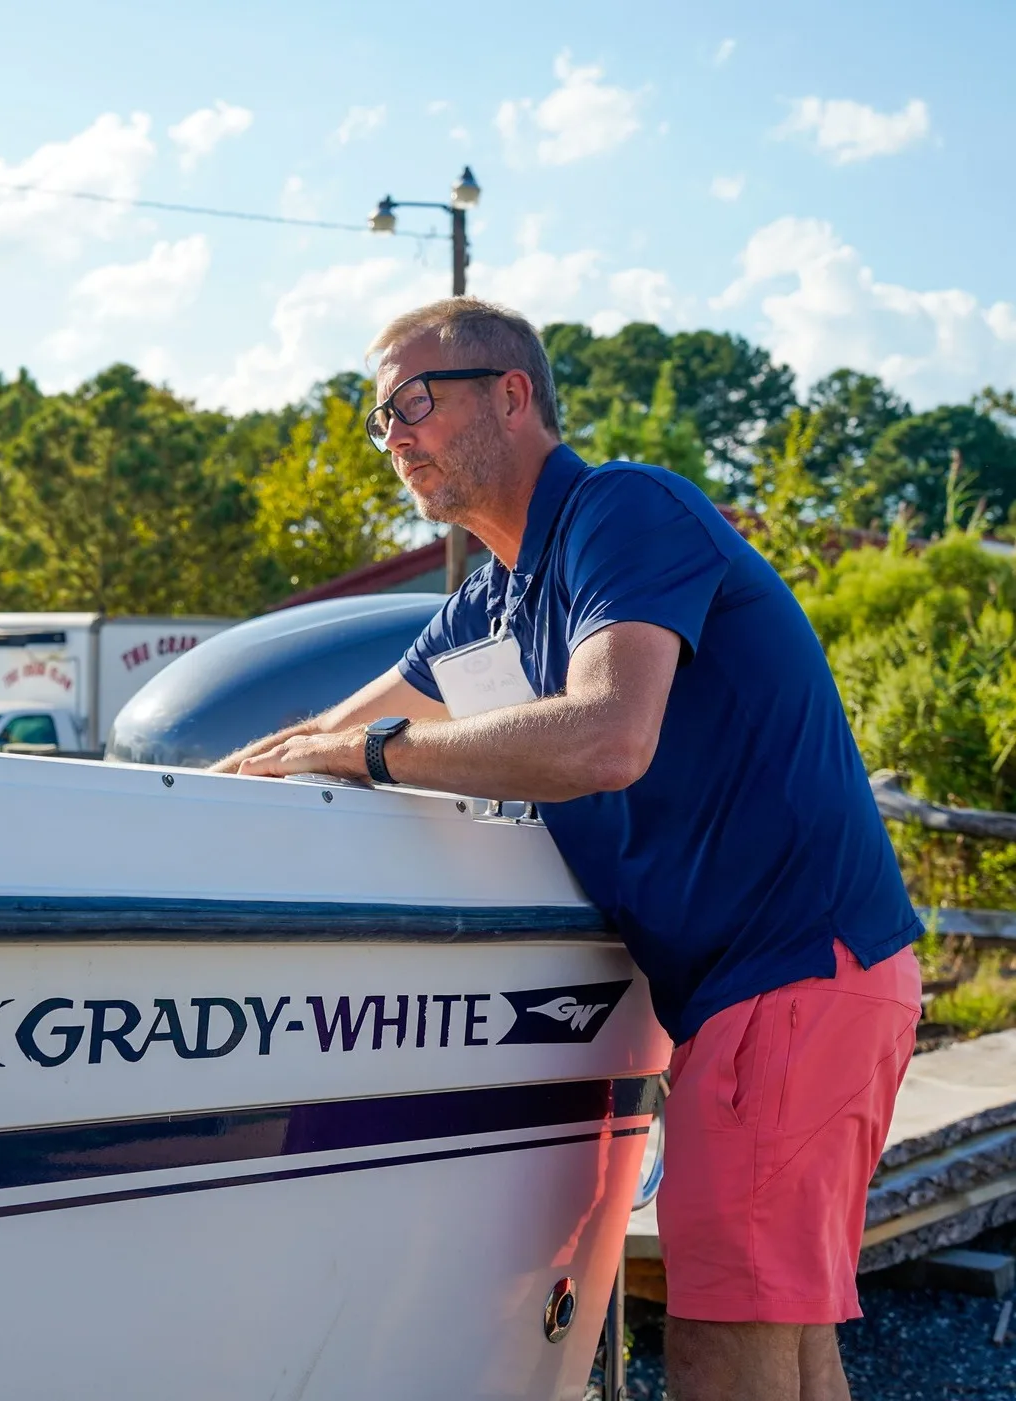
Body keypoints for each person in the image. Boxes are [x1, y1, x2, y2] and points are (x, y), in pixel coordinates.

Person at [215, 297, 923, 1401]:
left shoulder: (621, 511)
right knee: (784, 1339)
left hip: (793, 978)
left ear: (512, 394)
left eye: (414, 401)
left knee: (723, 1348)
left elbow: (607, 735)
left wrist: (375, 756)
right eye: (377, 418)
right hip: (788, 989)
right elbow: (318, 742)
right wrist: (186, 804)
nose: (393, 434)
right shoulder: (490, 601)